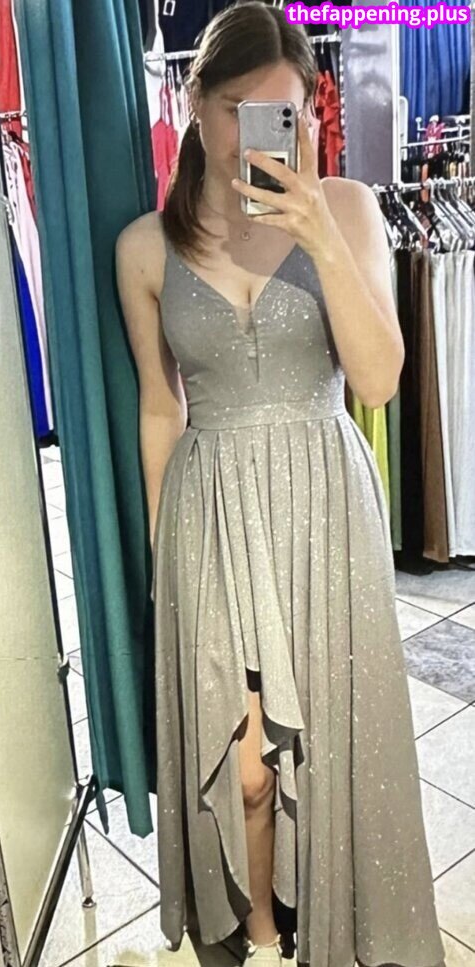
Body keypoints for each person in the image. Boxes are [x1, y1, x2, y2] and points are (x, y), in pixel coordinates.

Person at [115, 4, 446, 966]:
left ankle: (328, 923)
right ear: (195, 102)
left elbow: (377, 382)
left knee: (330, 739)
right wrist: (165, 560)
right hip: (212, 517)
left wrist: (321, 235)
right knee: (247, 766)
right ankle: (260, 932)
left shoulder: (348, 208)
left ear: (307, 111)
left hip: (325, 508)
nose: (252, 134)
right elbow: (160, 410)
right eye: (234, 109)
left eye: (282, 113)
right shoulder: (146, 247)